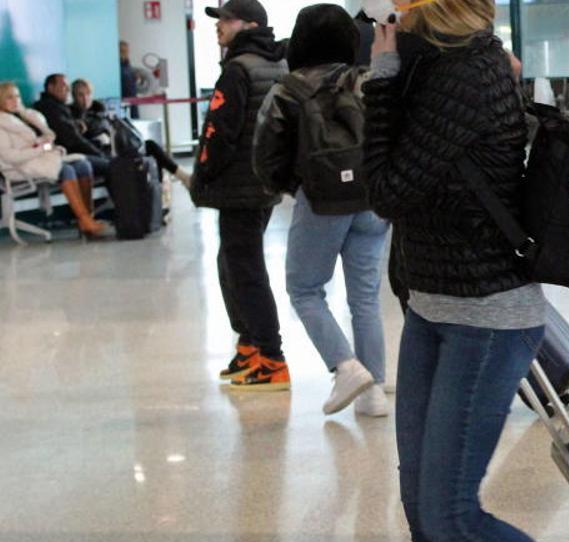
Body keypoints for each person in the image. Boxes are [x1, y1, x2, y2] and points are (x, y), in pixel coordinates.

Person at [362, 0, 545, 542]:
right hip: (433, 305)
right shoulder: (436, 64)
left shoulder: (465, 72)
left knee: (450, 518)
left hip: (486, 317)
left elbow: (387, 191)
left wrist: (381, 82)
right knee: (422, 512)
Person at [253, 4, 390, 416]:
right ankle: (374, 392)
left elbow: (266, 151)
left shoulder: (288, 88)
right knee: (364, 298)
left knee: (305, 289)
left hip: (322, 200)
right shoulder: (366, 81)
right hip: (372, 199)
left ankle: (345, 366)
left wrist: (289, 187)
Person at [190, 0, 289, 391]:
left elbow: (219, 132)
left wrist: (202, 177)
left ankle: (271, 357)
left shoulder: (238, 69)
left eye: (226, 20)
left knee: (245, 270)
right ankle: (249, 344)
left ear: (249, 25)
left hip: (237, 186)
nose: (219, 26)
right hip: (262, 183)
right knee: (233, 262)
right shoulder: (276, 64)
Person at [0, 81, 105, 237]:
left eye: (17, 96)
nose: (15, 101)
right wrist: (40, 148)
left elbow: (47, 133)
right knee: (66, 169)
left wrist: (24, 113)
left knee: (83, 165)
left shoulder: (22, 117)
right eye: (9, 97)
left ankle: (88, 219)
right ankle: (84, 219)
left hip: (39, 159)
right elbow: (10, 156)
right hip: (18, 167)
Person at [69, 78, 192, 187]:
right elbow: (84, 137)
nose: (85, 99)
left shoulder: (99, 110)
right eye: (81, 95)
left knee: (150, 147)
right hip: (104, 153)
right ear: (74, 96)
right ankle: (179, 178)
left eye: (88, 94)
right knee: (149, 150)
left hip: (117, 147)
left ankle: (173, 180)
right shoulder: (74, 117)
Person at [33, 74, 112, 178]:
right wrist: (101, 155)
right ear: (51, 88)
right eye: (64, 86)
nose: (67, 90)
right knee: (113, 167)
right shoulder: (50, 108)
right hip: (66, 154)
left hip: (73, 151)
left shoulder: (57, 107)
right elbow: (72, 140)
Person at [120, 41, 139, 118]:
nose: (126, 53)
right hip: (125, 99)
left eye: (127, 51)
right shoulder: (117, 66)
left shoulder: (127, 64)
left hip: (132, 98)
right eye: (123, 51)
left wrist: (134, 78)